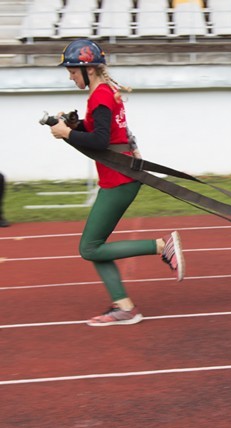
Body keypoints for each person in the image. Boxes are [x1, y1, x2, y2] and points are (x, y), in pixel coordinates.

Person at [49, 39, 185, 327]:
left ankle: (161, 246)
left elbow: (98, 141)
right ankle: (124, 307)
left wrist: (66, 133)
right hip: (120, 176)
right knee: (94, 246)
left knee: (89, 248)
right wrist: (73, 127)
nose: (70, 76)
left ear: (87, 70)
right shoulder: (104, 92)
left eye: (72, 71)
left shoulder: (100, 96)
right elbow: (106, 134)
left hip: (119, 180)